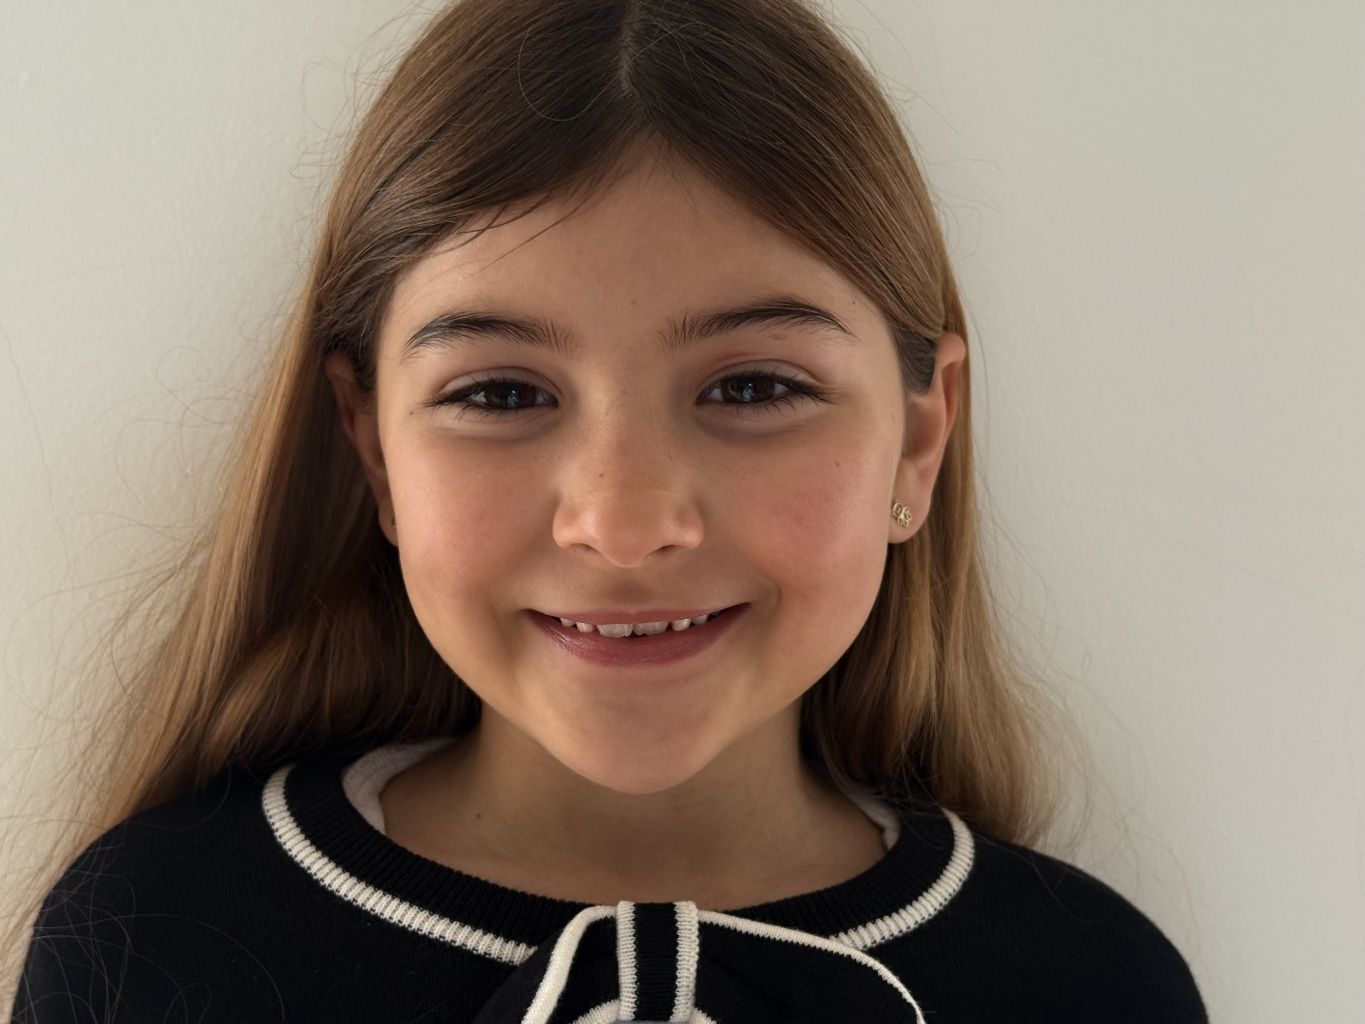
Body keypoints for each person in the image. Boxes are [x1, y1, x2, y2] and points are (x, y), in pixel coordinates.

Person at [5, 0, 1208, 1020]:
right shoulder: (155, 944)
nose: (624, 527)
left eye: (754, 388)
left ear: (922, 434)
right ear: (373, 449)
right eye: (500, 393)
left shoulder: (1093, 986)